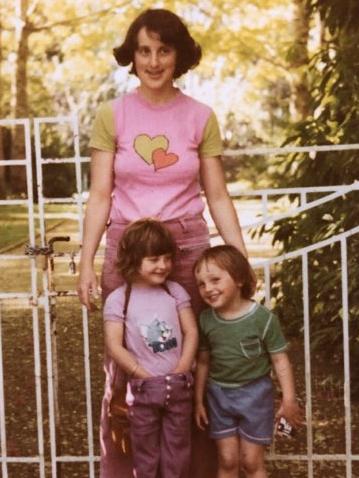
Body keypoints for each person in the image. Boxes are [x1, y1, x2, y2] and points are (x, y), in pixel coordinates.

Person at [76, 8, 247, 477]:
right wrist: (87, 261)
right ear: (132, 56)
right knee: (128, 369)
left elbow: (217, 195)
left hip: (187, 251)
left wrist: (240, 262)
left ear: (179, 55)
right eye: (144, 50)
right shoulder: (111, 114)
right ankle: (127, 470)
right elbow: (100, 194)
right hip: (129, 251)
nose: (153, 61)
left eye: (163, 50)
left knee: (189, 363)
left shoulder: (200, 117)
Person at [194, 245, 303, 478]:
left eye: (215, 280)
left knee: (251, 462)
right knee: (227, 460)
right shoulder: (205, 319)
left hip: (255, 396)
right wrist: (198, 400)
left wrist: (289, 399)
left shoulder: (262, 319)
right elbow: (203, 362)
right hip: (218, 396)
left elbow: (280, 360)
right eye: (202, 284)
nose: (208, 289)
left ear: (240, 279)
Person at [104, 218, 198, 478]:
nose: (163, 265)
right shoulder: (119, 299)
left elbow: (191, 331)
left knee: (178, 452)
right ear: (134, 259)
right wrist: (140, 373)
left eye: (167, 258)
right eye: (155, 259)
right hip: (143, 388)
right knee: (145, 453)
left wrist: (181, 368)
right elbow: (114, 344)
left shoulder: (175, 291)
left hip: (179, 384)